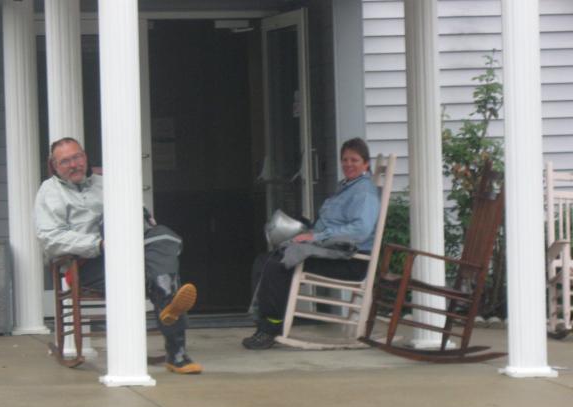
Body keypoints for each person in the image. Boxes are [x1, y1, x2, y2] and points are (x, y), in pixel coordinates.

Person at [35, 137, 202, 374]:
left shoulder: (107, 183)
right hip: (89, 262)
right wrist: (99, 244)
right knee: (162, 278)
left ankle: (167, 299)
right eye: (65, 161)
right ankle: (177, 353)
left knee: (165, 236)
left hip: (131, 250)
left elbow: (141, 214)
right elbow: (51, 239)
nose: (74, 164)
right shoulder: (49, 192)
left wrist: (142, 218)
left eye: (77, 157)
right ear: (54, 166)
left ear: (85, 156)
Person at [243, 137, 381, 350]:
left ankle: (270, 329)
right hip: (334, 253)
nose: (348, 164)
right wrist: (307, 231)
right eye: (345, 159)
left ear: (366, 164)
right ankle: (263, 322)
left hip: (350, 261)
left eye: (354, 160)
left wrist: (315, 238)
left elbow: (360, 231)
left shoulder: (364, 192)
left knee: (279, 265)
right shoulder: (347, 187)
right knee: (266, 260)